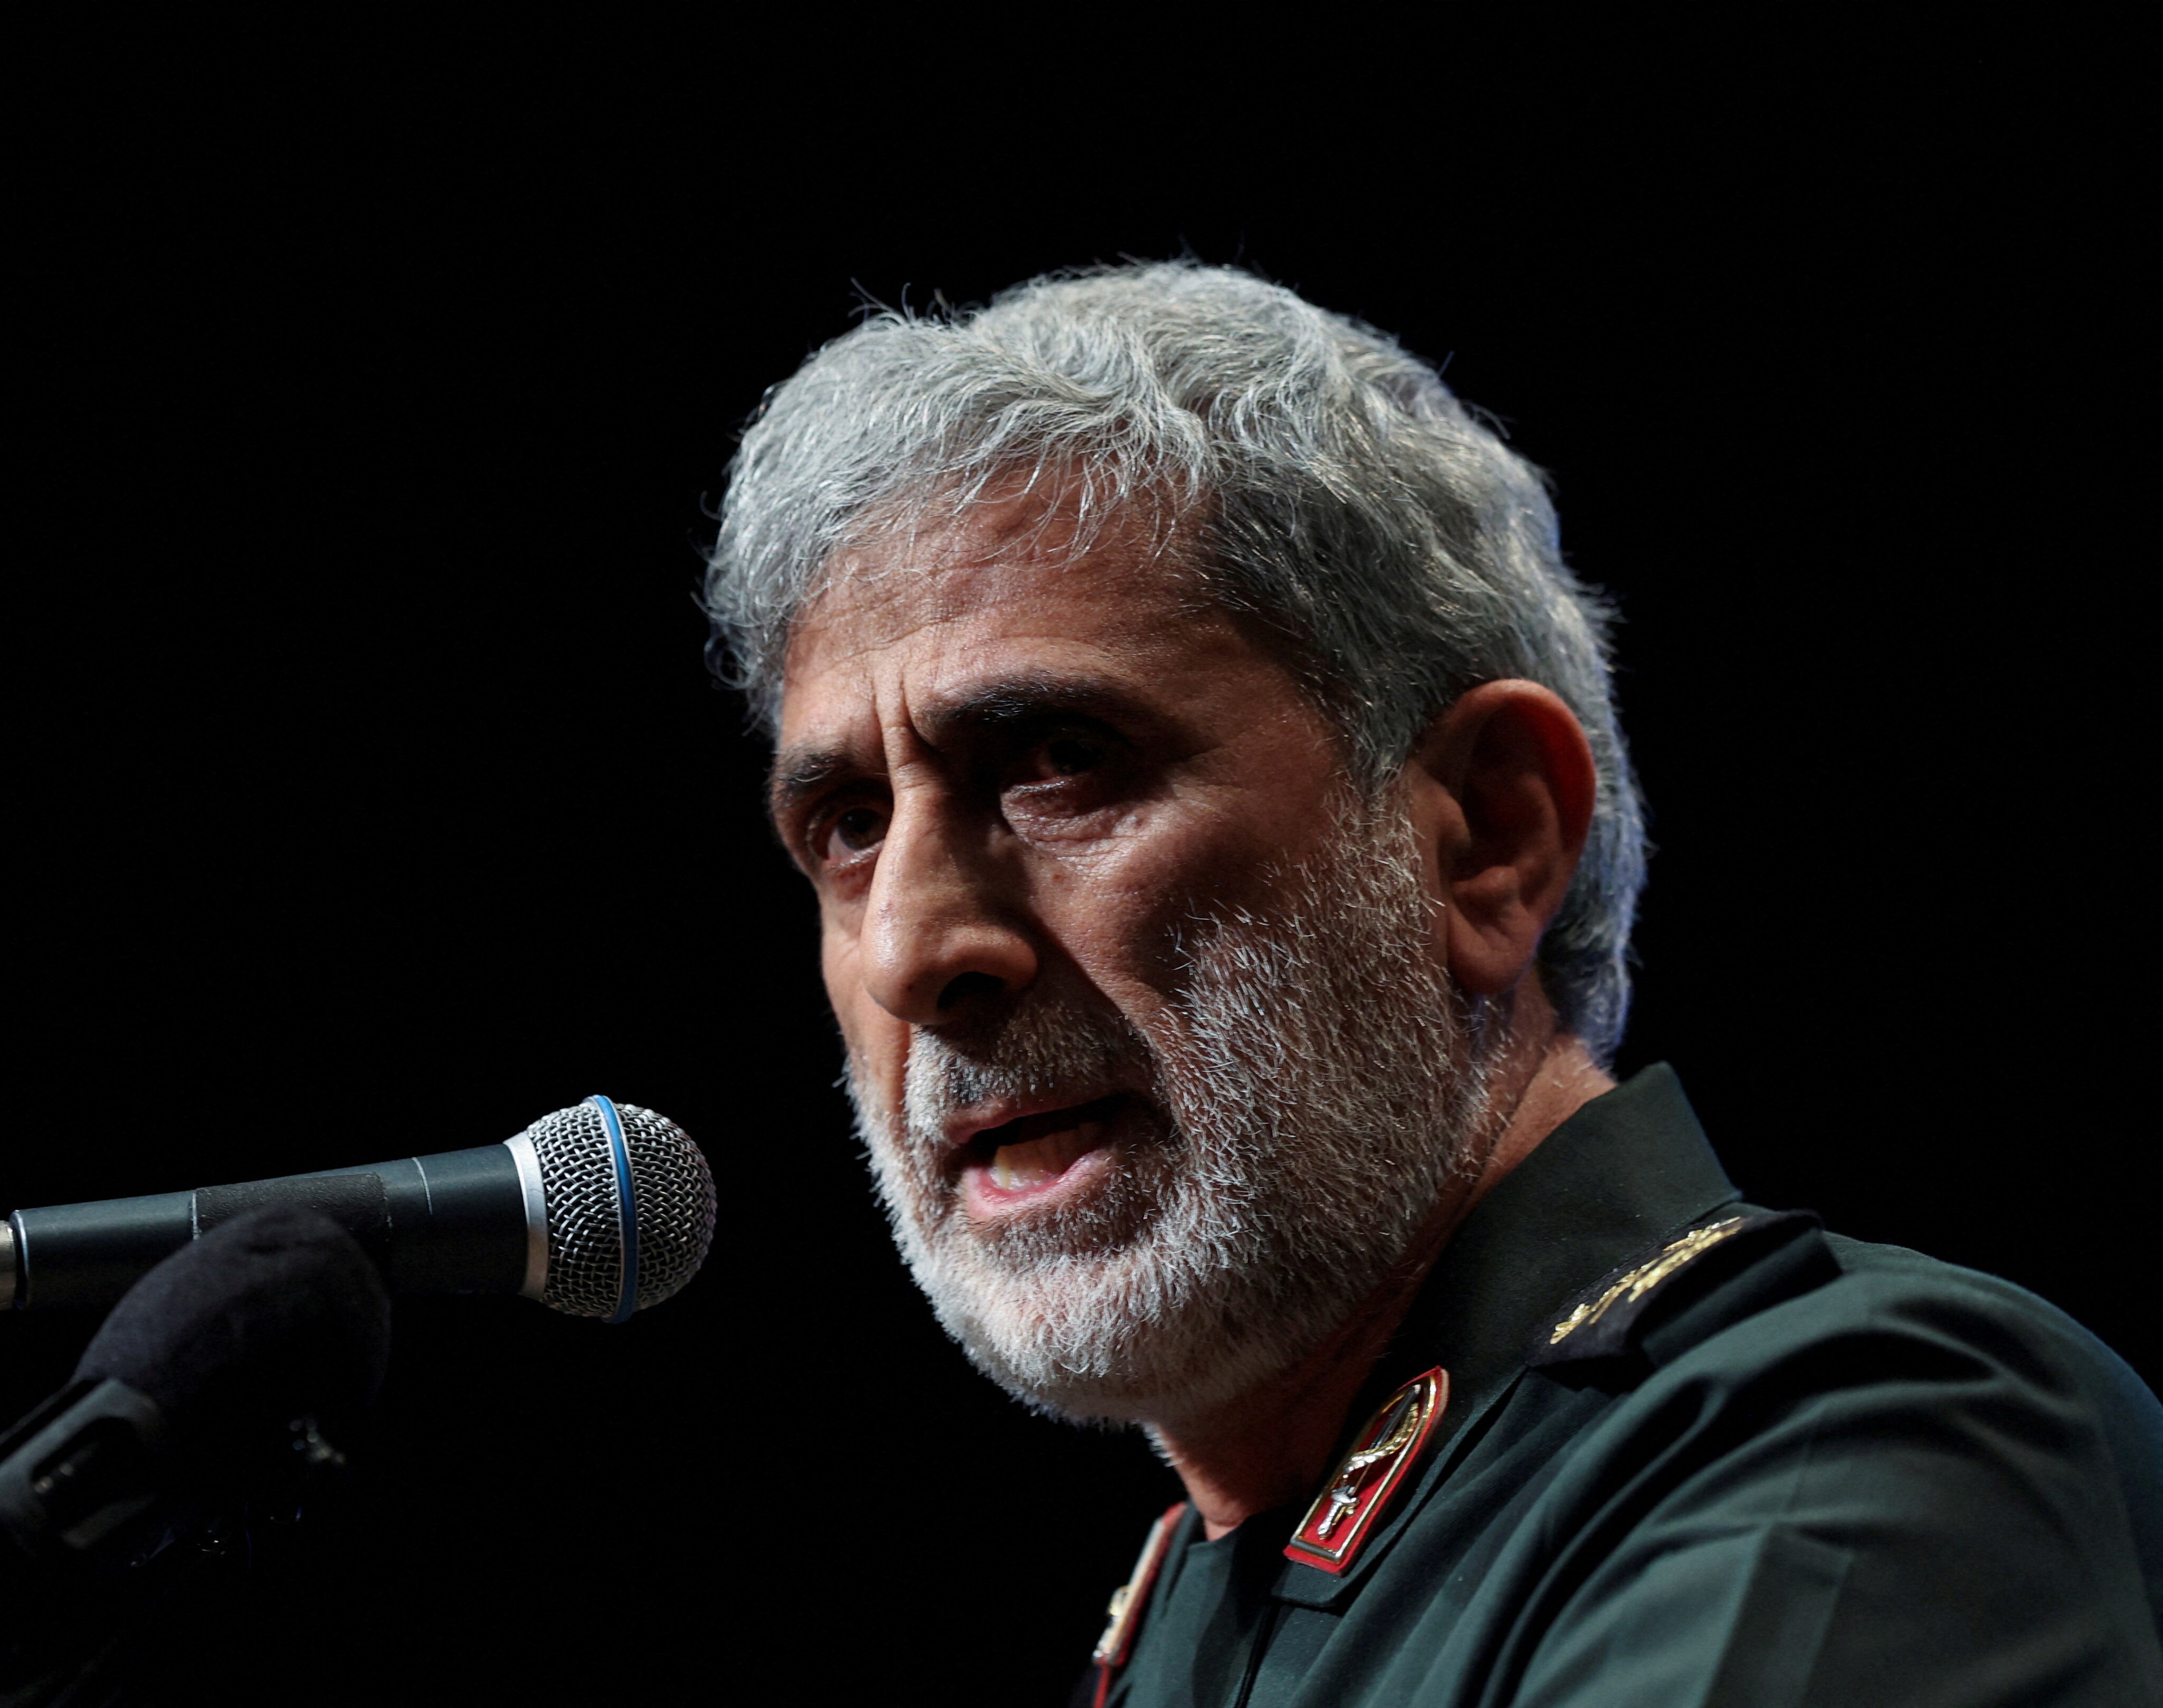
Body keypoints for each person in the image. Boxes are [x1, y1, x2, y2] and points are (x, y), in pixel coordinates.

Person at [700, 263, 2163, 1705]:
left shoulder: (1852, 1445)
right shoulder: (1199, 1594)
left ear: (1487, 843)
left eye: (1063, 761)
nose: (912, 951)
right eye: (848, 825)